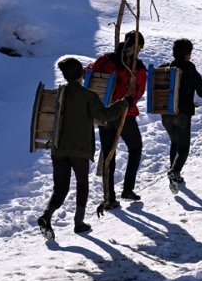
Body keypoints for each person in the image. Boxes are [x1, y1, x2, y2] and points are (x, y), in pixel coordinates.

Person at [36, 58, 131, 240]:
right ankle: (79, 223)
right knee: (82, 184)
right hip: (79, 150)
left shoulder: (58, 94)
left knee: (60, 188)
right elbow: (104, 115)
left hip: (59, 149)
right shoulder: (88, 96)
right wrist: (123, 103)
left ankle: (46, 216)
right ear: (82, 74)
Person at [91, 30, 147, 209]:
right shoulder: (137, 67)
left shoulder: (105, 60)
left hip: (104, 114)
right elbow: (138, 92)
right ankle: (128, 188)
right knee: (136, 148)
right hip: (124, 114)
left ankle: (109, 197)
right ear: (137, 47)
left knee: (109, 156)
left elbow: (89, 75)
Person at [160, 39, 202, 188]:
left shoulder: (165, 68)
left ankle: (175, 175)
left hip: (166, 115)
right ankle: (175, 171)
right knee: (183, 147)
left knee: (175, 142)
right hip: (182, 115)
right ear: (187, 54)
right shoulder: (189, 68)